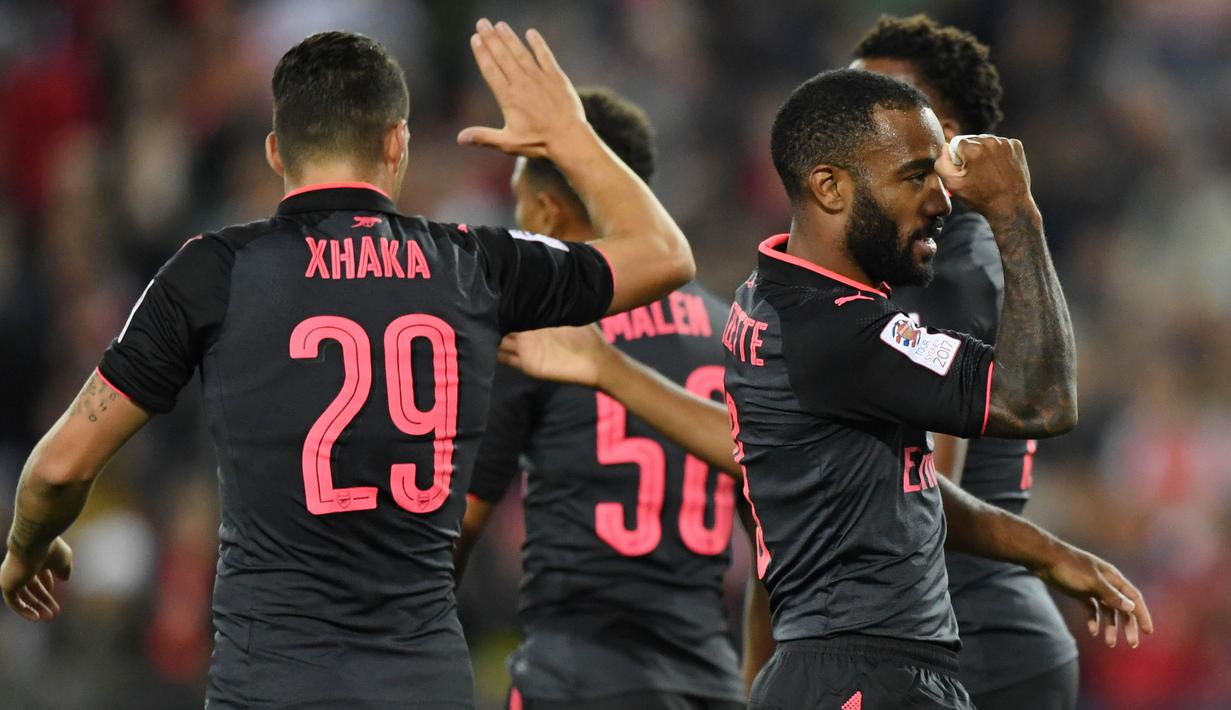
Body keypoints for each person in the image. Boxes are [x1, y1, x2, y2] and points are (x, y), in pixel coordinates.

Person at [0, 21, 696, 709]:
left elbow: (59, 468)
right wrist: (571, 137)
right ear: (397, 144)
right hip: (421, 682)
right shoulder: (474, 263)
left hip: (270, 684)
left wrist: (28, 546)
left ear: (277, 152)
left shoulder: (214, 271)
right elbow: (665, 255)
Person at [499, 67, 1153, 710]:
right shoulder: (837, 334)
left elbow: (899, 491)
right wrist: (1015, 210)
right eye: (913, 174)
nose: (940, 197)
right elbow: (1037, 400)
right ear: (830, 187)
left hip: (845, 668)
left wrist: (1044, 551)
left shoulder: (774, 298)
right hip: (863, 673)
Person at [453, 87, 746, 710]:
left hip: (575, 675)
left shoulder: (543, 334)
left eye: (521, 206)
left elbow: (460, 529)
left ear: (550, 212)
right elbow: (775, 539)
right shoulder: (730, 334)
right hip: (708, 678)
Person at [848, 15, 1081, 708]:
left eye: (875, 101)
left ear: (942, 128)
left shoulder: (947, 268)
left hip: (966, 644)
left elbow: (923, 488)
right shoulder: (916, 257)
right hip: (965, 636)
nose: (847, 117)